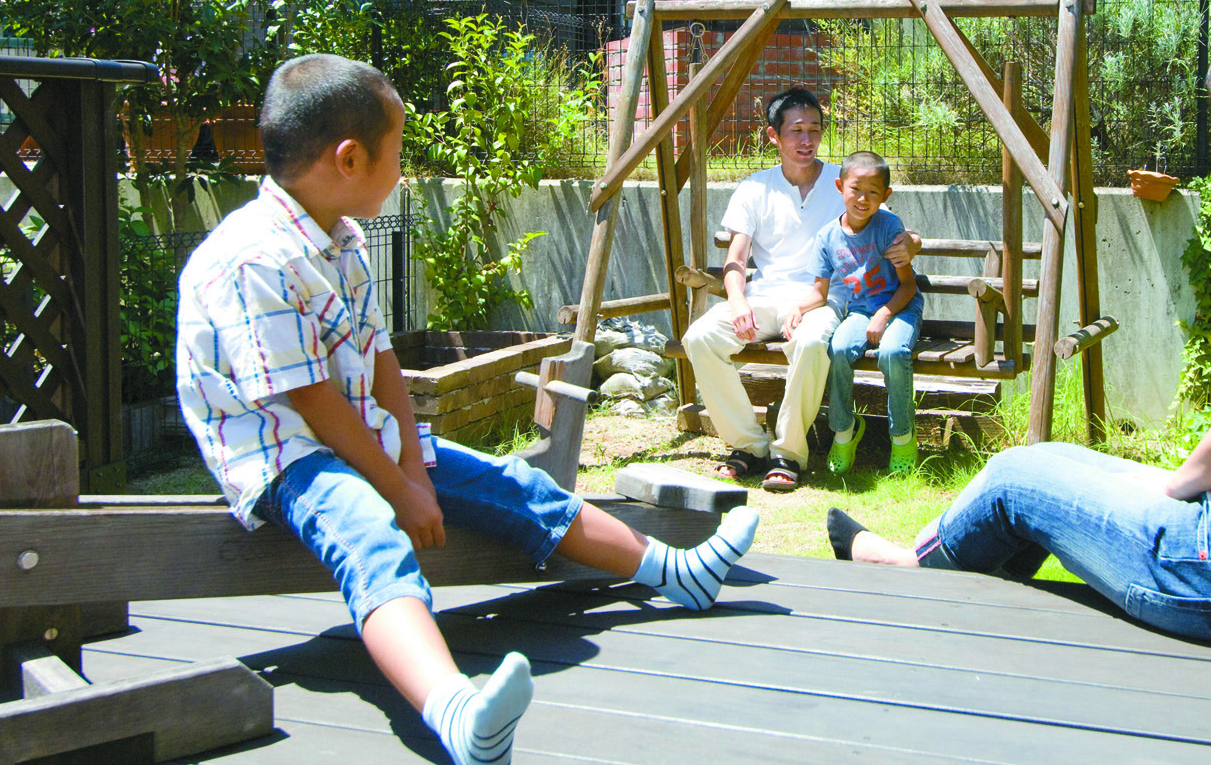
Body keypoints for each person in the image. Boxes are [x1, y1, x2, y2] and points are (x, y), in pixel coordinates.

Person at [177, 55, 759, 765]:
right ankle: (455, 712)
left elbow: (381, 358)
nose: (404, 167)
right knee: (369, 534)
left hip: (355, 432)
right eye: (399, 151)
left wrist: (410, 466)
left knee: (510, 485)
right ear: (350, 158)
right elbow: (309, 402)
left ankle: (672, 571)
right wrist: (397, 487)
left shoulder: (342, 240)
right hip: (282, 455)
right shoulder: (253, 260)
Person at [826, 14, 1211, 646]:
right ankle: (966, 598)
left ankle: (912, 575)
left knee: (1014, 479)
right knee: (1044, 459)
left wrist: (1170, 489)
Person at [683, 88, 918, 493]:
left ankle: (788, 453)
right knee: (699, 338)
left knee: (811, 344)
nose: (806, 140)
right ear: (774, 136)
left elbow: (897, 229)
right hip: (762, 297)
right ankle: (750, 445)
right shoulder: (754, 188)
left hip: (821, 299)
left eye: (814, 129)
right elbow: (735, 259)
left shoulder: (844, 181)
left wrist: (913, 243)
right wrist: (737, 300)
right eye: (795, 131)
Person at [784, 151, 924, 476]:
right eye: (856, 189)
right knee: (840, 348)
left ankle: (903, 436)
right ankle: (844, 431)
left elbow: (907, 286)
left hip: (900, 307)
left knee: (892, 352)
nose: (863, 199)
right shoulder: (827, 237)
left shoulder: (888, 226)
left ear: (886, 195)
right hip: (861, 310)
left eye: (874, 192)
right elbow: (819, 292)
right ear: (839, 186)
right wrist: (798, 308)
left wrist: (884, 315)